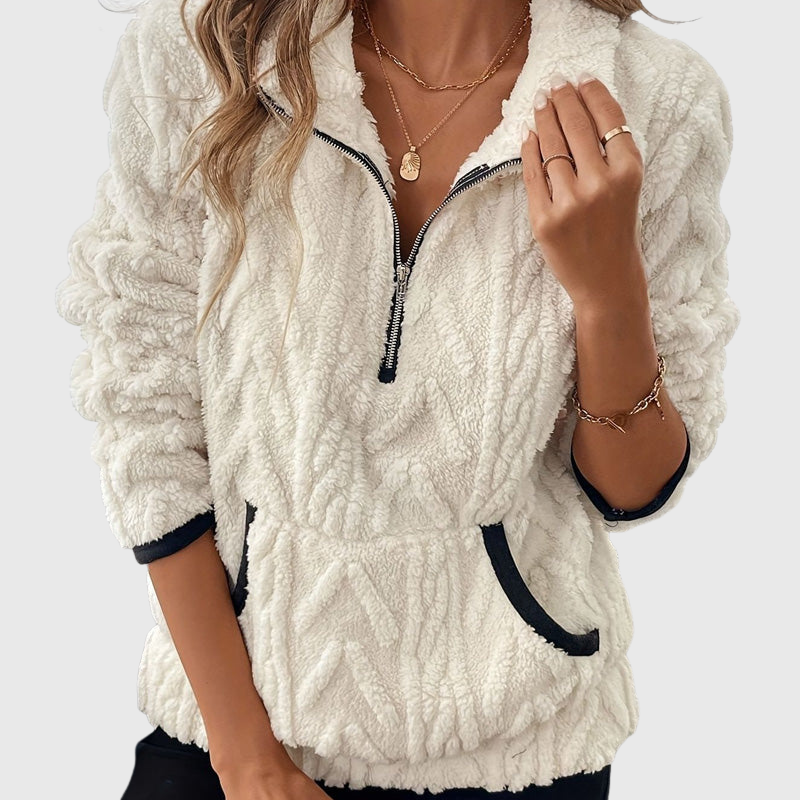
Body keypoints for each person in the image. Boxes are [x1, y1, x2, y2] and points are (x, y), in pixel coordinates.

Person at [54, 0, 739, 797]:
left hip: (516, 755)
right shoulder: (209, 56)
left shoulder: (652, 99)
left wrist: (609, 293)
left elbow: (632, 487)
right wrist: (246, 756)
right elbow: (143, 415)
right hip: (225, 738)